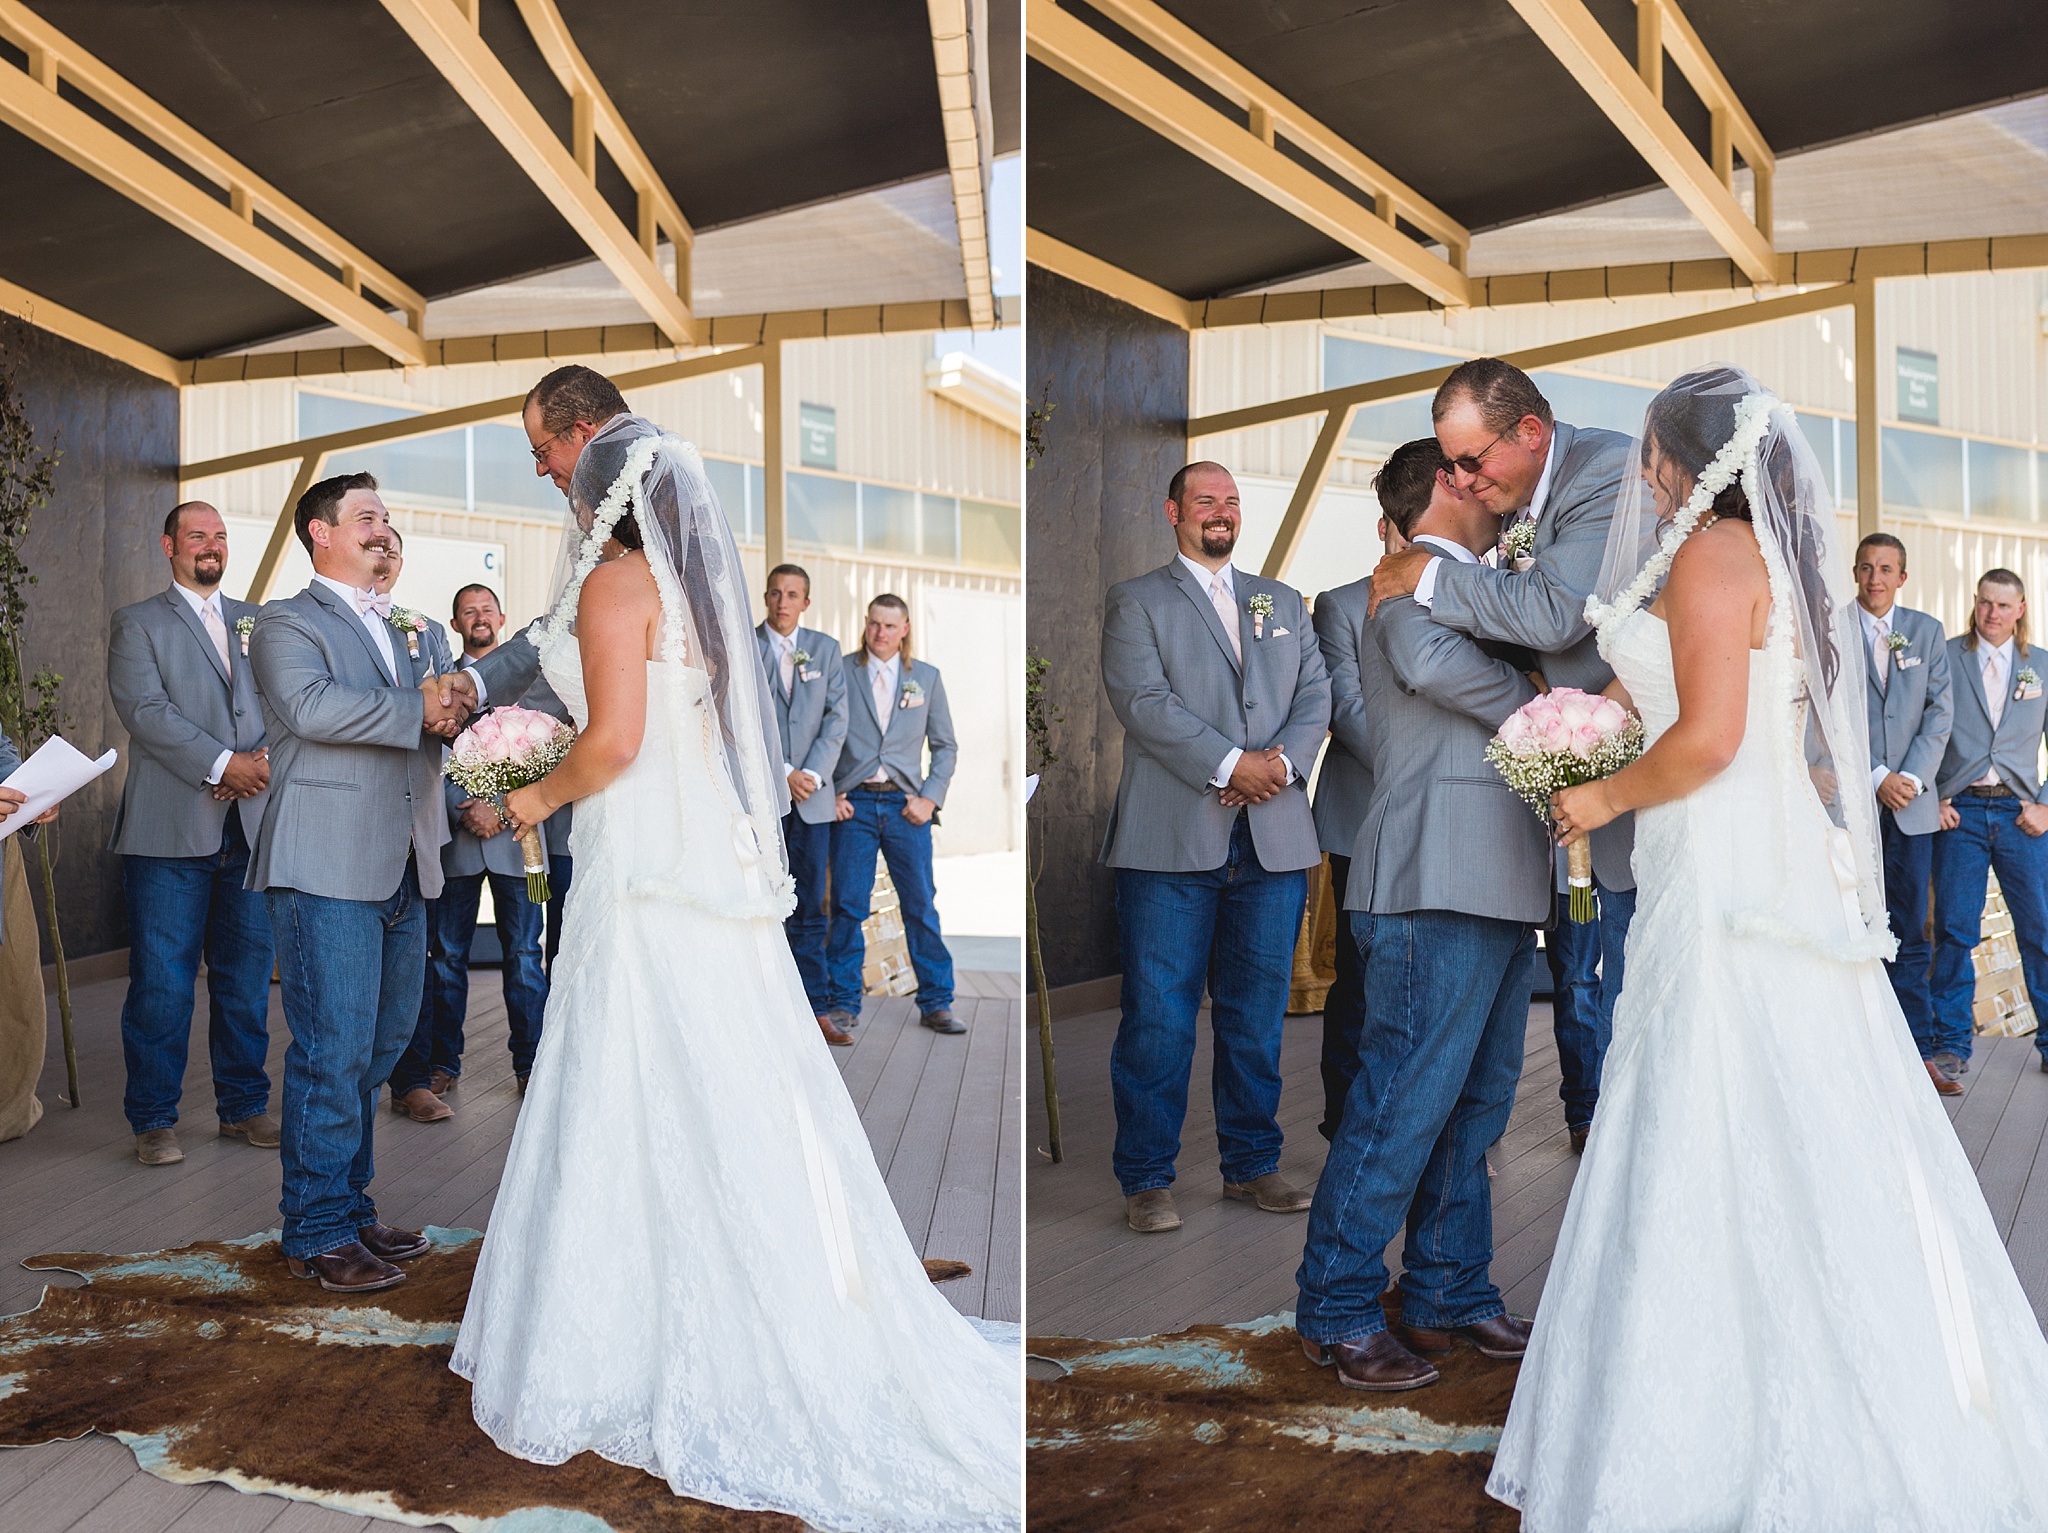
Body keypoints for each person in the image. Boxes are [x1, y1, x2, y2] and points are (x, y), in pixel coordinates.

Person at [1491, 366, 2048, 1529]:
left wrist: (1591, 801)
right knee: (1783, 1095)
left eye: (1651, 452)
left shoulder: (1709, 554)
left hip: (1724, 862)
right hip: (1759, 853)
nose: (1642, 473)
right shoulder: (1769, 563)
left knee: (1710, 1091)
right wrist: (1601, 738)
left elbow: (1703, 742)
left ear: (1684, 461)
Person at [450, 413, 1019, 1530]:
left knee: (632, 1074)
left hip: (641, 857)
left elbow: (612, 743)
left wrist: (517, 798)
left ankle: (628, 1328)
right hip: (692, 849)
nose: (551, 484)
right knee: (714, 1076)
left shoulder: (618, 586)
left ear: (603, 491)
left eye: (562, 468)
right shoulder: (698, 593)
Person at [1294, 443, 1544, 1393]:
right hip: (1429, 873)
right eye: (1475, 470)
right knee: (1399, 1102)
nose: (1497, 486)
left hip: (1505, 878)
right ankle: (1339, 1305)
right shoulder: (1403, 586)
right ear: (1447, 485)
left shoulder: (1490, 584)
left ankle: (1447, 1287)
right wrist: (1553, 706)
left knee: (1475, 1107)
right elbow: (1457, 681)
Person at [1371, 360, 1636, 1139]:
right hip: (1576, 803)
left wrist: (1423, 574)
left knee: (1632, 1008)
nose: (1460, 478)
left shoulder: (1608, 471)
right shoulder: (1520, 498)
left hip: (1644, 786)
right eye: (1448, 465)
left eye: (1470, 460)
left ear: (1530, 431)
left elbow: (1554, 616)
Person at [246, 472, 469, 1294]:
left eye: (388, 518)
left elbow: (448, 716)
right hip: (324, 865)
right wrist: (423, 706)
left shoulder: (418, 629)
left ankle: (350, 1205)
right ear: (320, 532)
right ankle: (314, 1230)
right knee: (333, 1050)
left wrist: (484, 717)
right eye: (367, 517)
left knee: (377, 1049)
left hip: (407, 858)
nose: (383, 529)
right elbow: (312, 709)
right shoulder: (283, 622)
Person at [1098, 462, 1331, 1234]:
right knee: (1159, 1016)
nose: (1222, 512)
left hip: (1271, 839)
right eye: (1206, 500)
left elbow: (1314, 695)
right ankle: (1146, 1177)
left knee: (1256, 1015)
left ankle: (1252, 1164)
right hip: (1172, 840)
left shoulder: (1282, 599)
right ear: (1174, 512)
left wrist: (1281, 767)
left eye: (1232, 501)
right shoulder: (1136, 601)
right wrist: (1234, 765)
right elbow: (1143, 701)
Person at [105, 501, 276, 1166]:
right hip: (168, 830)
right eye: (198, 535)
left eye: (221, 536)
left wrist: (257, 767)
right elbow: (145, 712)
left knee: (244, 978)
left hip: (250, 824)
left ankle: (242, 1107)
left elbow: (285, 705)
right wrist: (223, 764)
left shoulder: (257, 622)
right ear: (169, 544)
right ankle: (152, 1118)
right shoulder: (137, 622)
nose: (212, 545)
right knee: (162, 982)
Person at [390, 582, 548, 1121]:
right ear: (455, 624)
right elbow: (429, 747)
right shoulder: (439, 684)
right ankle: (441, 1064)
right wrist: (469, 803)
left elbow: (552, 747)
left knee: (527, 955)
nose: (478, 617)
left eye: (486, 609)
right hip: (456, 841)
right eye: (467, 612)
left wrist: (500, 807)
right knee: (447, 957)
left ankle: (531, 1064)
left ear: (502, 617)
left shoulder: (536, 681)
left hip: (524, 845)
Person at [1309, 456, 1417, 1140]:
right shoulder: (1339, 605)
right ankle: (1343, 1120)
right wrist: (1427, 767)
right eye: (1405, 532)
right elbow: (1345, 711)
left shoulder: (1467, 595)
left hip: (1440, 824)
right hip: (1362, 820)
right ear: (1384, 529)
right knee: (1357, 977)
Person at [824, 594, 961, 1036]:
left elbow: (945, 747)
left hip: (907, 807)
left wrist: (930, 798)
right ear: (866, 624)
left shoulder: (926, 678)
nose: (880, 633)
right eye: (874, 624)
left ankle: (937, 1002)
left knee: (920, 905)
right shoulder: (842, 671)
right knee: (848, 906)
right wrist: (829, 793)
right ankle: (843, 1002)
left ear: (905, 629)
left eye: (890, 626)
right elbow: (816, 733)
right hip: (855, 805)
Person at [1930, 568, 2048, 1079]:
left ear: (2020, 609)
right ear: (1975, 603)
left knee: (2041, 931)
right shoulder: (1946, 657)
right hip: (1963, 814)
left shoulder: (2040, 666)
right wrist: (1932, 798)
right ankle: (1951, 1044)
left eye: (2004, 606)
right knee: (1955, 931)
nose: (1993, 615)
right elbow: (1922, 727)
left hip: (2023, 815)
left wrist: (2045, 805)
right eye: (1985, 604)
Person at [1854, 534, 1955, 1090]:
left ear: (1902, 577)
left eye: (1886, 569)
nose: (1876, 578)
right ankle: (1866, 1053)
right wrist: (1876, 778)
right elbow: (1826, 714)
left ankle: (1917, 1055)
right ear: (1854, 573)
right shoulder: (1832, 627)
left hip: (1913, 809)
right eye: (1867, 568)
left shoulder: (1926, 631)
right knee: (1861, 925)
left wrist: (1911, 779)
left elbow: (1941, 711)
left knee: (1913, 932)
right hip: (1856, 805)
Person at [757, 563, 850, 1044]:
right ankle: (768, 1011)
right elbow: (740, 720)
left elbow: (838, 717)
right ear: (767, 597)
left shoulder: (827, 650)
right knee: (765, 902)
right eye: (775, 593)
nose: (782, 602)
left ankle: (815, 1010)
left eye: (792, 594)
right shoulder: (745, 646)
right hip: (764, 799)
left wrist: (809, 774)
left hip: (813, 799)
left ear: (805, 602)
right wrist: (783, 773)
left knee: (812, 906)